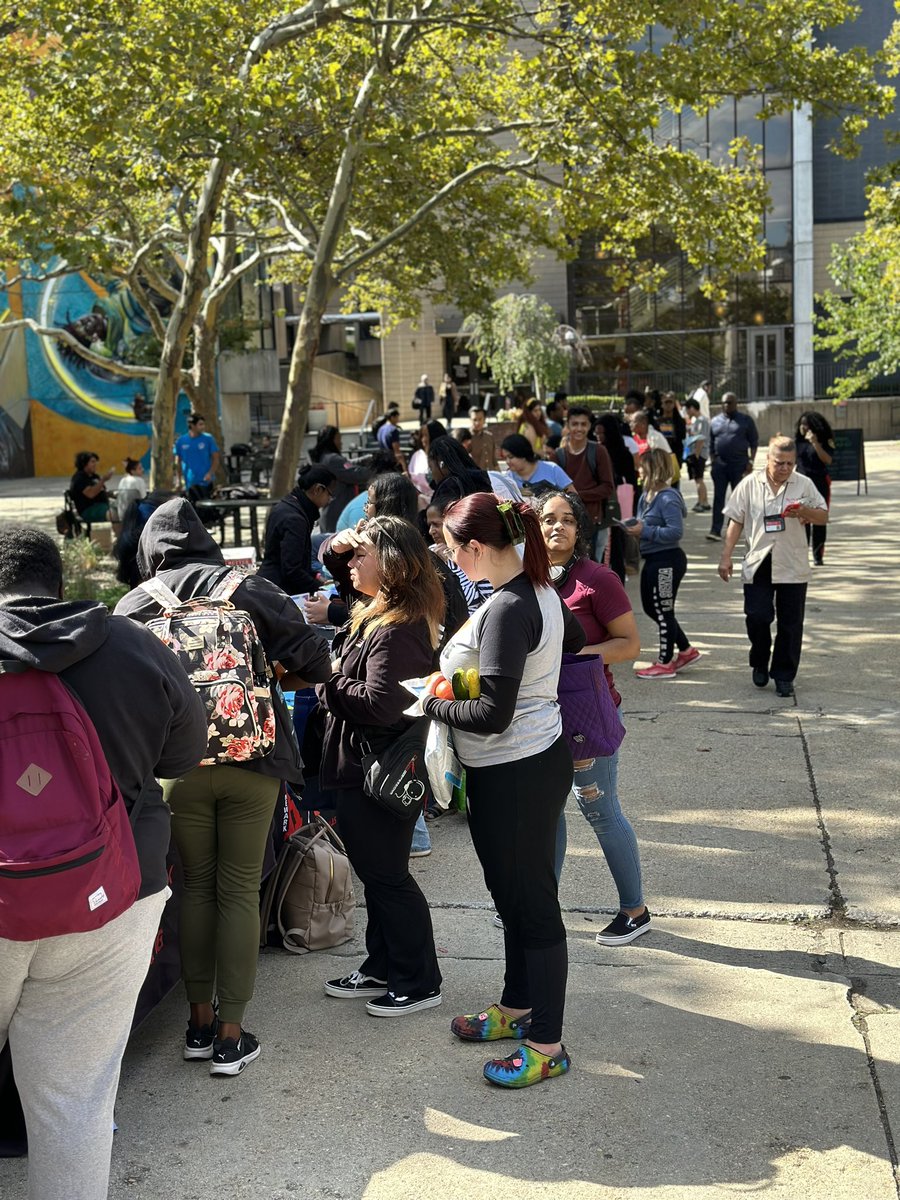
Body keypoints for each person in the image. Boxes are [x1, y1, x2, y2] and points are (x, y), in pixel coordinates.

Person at [0, 523, 207, 1199]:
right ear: (61, 584)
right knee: (75, 1101)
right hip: (115, 892)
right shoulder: (132, 645)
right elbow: (181, 755)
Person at [115, 499, 331, 1075]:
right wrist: (272, 674)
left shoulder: (136, 604)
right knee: (238, 892)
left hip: (175, 770)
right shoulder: (250, 589)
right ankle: (232, 1038)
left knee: (191, 891)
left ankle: (197, 1025)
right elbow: (317, 661)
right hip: (253, 763)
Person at [422, 494, 586, 1088]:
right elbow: (573, 636)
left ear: (475, 548)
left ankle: (547, 1043)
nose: (448, 557)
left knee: (533, 907)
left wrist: (435, 699)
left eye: (450, 546)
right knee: (513, 899)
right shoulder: (536, 590)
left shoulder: (510, 605)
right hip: (521, 765)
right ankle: (518, 1009)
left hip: (516, 769)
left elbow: (492, 712)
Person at [318, 516, 445, 1013]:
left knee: (388, 875)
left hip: (380, 770)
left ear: (391, 564)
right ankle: (382, 966)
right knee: (377, 874)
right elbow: (333, 562)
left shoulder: (399, 628)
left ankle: (418, 980)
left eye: (361, 555)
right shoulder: (378, 610)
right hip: (363, 766)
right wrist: (342, 541)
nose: (350, 564)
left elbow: (380, 704)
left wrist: (325, 681)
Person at [533, 490, 649, 945]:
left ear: (580, 529)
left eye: (566, 520)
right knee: (548, 814)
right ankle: (545, 906)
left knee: (599, 810)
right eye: (546, 519)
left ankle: (635, 911)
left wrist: (576, 654)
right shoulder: (531, 580)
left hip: (587, 715)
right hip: (539, 719)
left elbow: (629, 645)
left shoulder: (597, 579)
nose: (555, 527)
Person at [718, 436, 827, 697]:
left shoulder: (804, 484)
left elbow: (823, 516)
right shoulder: (749, 485)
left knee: (791, 623)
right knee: (757, 616)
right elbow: (736, 520)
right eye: (780, 463)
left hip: (792, 562)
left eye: (790, 463)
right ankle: (759, 659)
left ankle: (784, 675)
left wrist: (803, 511)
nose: (785, 469)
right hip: (759, 562)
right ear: (767, 459)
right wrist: (726, 556)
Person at [625, 448, 699, 680]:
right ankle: (685, 650)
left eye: (642, 466)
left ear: (653, 468)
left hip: (668, 559)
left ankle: (665, 663)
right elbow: (641, 522)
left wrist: (644, 530)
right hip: (653, 559)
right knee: (651, 607)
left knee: (664, 610)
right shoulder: (645, 494)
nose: (638, 469)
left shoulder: (668, 498)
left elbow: (675, 532)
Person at [257, 464, 335, 596]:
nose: (330, 499)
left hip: (273, 583)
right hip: (280, 590)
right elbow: (292, 570)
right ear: (318, 489)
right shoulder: (295, 519)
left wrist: (315, 576)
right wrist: (320, 588)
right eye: (329, 494)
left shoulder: (288, 505)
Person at [555, 406, 615, 561]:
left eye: (583, 424)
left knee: (591, 567)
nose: (579, 428)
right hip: (564, 522)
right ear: (567, 426)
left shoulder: (598, 451)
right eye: (575, 424)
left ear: (589, 426)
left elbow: (607, 487)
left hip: (592, 521)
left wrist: (576, 494)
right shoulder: (558, 455)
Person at [706, 393, 759, 541]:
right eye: (724, 403)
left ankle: (733, 529)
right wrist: (713, 461)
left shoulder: (746, 421)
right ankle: (715, 530)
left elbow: (754, 442)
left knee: (738, 500)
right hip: (720, 466)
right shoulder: (715, 421)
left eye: (729, 403)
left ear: (736, 403)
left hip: (739, 466)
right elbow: (711, 443)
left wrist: (751, 461)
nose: (726, 405)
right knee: (718, 498)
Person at [309, 425, 372, 534]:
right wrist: (375, 471)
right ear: (331, 440)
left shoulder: (325, 457)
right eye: (338, 438)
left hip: (332, 512)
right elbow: (354, 474)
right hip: (336, 513)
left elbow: (347, 464)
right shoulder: (332, 459)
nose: (341, 442)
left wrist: (366, 459)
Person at [794, 411, 835, 565]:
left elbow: (828, 460)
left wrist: (815, 443)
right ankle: (802, 555)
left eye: (806, 425)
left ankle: (818, 556)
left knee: (819, 520)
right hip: (801, 484)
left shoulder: (825, 440)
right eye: (801, 424)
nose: (803, 428)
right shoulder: (797, 442)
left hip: (820, 484)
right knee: (802, 520)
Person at [428, 434, 492, 508]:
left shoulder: (449, 486)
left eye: (431, 468)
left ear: (441, 463)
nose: (432, 474)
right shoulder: (485, 477)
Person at [500, 433, 575, 495]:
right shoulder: (507, 479)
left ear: (522, 454)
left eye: (511, 457)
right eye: (505, 458)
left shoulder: (552, 469)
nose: (507, 461)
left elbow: (573, 496)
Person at [174, 413, 220, 500]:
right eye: (200, 424)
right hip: (189, 482)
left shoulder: (208, 439)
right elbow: (178, 462)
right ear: (192, 425)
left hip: (205, 481)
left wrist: (210, 473)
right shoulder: (181, 441)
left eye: (203, 424)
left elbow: (216, 458)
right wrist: (178, 480)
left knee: (206, 510)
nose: (203, 427)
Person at [683, 398, 711, 513]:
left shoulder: (701, 420)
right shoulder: (697, 421)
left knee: (698, 479)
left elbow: (700, 439)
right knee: (700, 479)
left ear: (692, 408)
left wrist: (696, 455)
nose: (687, 412)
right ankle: (705, 502)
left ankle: (701, 502)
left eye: (687, 409)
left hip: (698, 453)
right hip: (698, 453)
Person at [70, 450, 113, 523]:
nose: (95, 464)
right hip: (89, 510)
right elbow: (91, 494)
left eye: (96, 462)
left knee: (124, 510)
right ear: (84, 464)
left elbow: (101, 490)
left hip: (102, 506)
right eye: (92, 462)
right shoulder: (79, 478)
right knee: (114, 514)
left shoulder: (95, 476)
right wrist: (103, 480)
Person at [407, 420, 447, 496]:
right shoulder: (417, 456)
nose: (423, 440)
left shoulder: (444, 459)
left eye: (426, 435)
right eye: (422, 435)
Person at [113, 456, 148, 526]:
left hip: (122, 515)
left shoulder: (123, 480)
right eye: (140, 468)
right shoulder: (139, 481)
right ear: (132, 471)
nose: (142, 470)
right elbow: (144, 498)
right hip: (136, 515)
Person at [468, 406, 498, 471]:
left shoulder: (489, 436)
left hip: (491, 476)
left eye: (480, 419)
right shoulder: (466, 438)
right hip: (476, 477)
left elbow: (494, 460)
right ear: (470, 420)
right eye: (474, 420)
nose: (477, 423)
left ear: (484, 419)